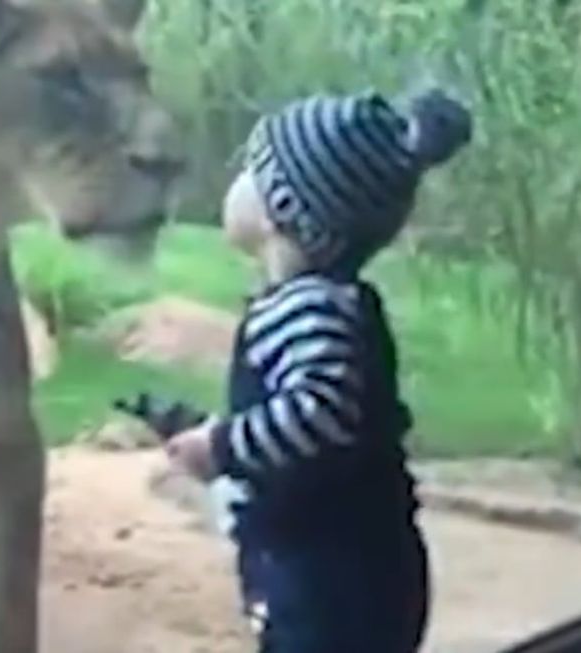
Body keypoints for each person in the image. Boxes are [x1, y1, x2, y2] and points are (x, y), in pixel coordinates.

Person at [165, 87, 472, 653]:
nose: (236, 180)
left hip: (327, 580)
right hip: (364, 567)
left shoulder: (308, 307)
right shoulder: (333, 302)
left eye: (252, 167)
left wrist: (224, 446)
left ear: (281, 209)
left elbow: (320, 411)